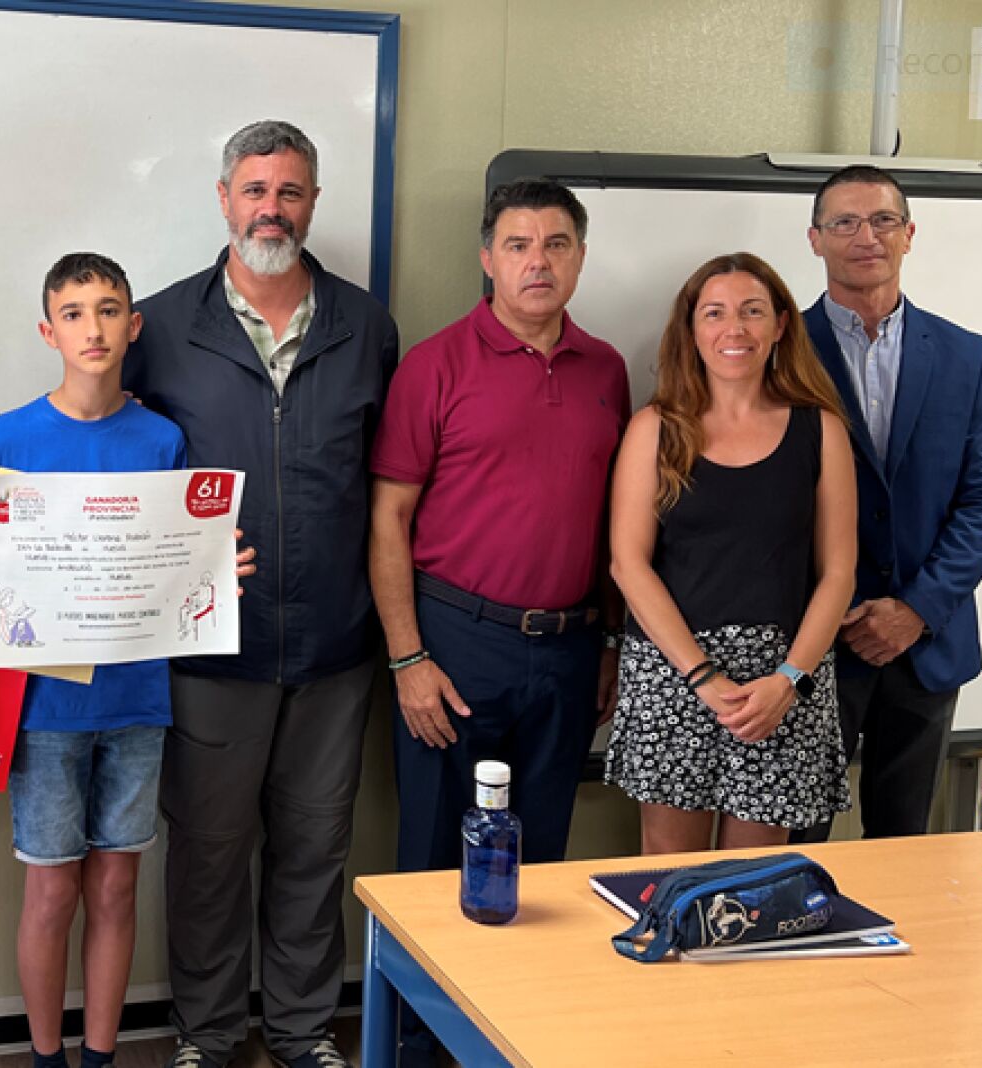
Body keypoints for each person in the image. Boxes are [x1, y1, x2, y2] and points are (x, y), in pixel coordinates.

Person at [122, 120, 398, 1068]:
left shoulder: (367, 326)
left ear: (313, 202)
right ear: (224, 199)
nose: (270, 209)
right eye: (254, 189)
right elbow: (118, 466)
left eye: (289, 191)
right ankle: (205, 1033)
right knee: (206, 851)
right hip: (210, 647)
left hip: (334, 642)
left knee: (316, 847)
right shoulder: (159, 326)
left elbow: (389, 481)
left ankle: (300, 1029)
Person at [0, 252, 255, 1068]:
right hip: (44, 709)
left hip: (136, 701)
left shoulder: (162, 439)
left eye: (109, 309)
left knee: (117, 886)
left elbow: (178, 557)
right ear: (47, 331)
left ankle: (101, 1056)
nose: (94, 328)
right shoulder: (7, 438)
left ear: (134, 325)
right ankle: (47, 1057)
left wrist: (215, 571)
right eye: (74, 313)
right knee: (52, 888)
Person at [368, 176, 625, 1068]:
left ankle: (517, 1039)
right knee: (435, 859)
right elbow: (389, 520)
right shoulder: (435, 364)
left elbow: (614, 522)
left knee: (540, 863)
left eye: (556, 244)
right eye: (518, 245)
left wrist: (609, 644)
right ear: (487, 258)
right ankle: (415, 1047)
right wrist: (407, 658)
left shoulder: (607, 371)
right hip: (454, 644)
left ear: (580, 258)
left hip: (570, 650)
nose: (537, 262)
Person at [788, 166, 982, 843]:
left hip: (925, 645)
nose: (867, 237)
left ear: (909, 234)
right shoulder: (776, 352)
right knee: (793, 847)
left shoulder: (965, 356)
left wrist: (915, 610)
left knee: (905, 847)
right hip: (810, 646)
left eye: (883, 220)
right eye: (845, 222)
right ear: (815, 239)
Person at [604, 252, 858, 854]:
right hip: (674, 674)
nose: (734, 328)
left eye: (752, 311)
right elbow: (628, 564)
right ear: (692, 331)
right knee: (672, 878)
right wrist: (702, 676)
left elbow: (838, 572)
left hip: (781, 683)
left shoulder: (820, 430)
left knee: (752, 882)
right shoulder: (655, 428)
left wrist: (789, 680)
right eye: (714, 313)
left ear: (780, 325)